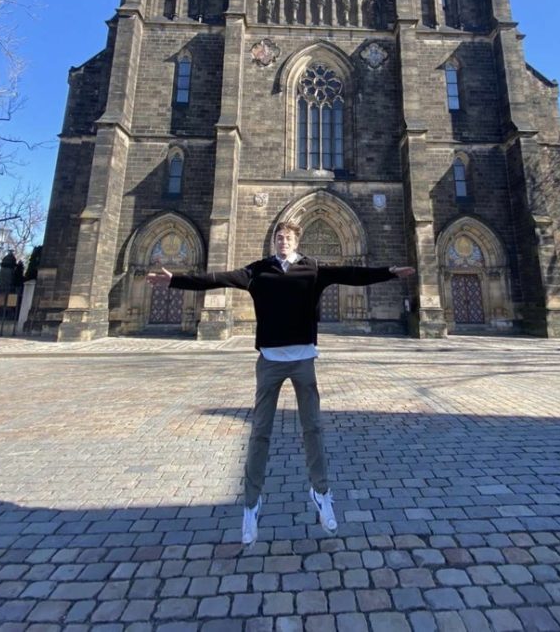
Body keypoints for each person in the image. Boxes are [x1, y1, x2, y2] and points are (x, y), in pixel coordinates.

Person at [148, 220, 414, 545]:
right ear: (274, 242)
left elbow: (352, 274)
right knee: (260, 432)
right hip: (271, 362)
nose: (282, 241)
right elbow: (218, 278)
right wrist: (175, 280)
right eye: (278, 237)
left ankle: (321, 493)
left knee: (313, 428)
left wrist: (389, 271)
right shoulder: (258, 271)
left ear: (296, 241)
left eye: (287, 237)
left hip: (303, 361)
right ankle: (251, 504)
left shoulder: (313, 269)